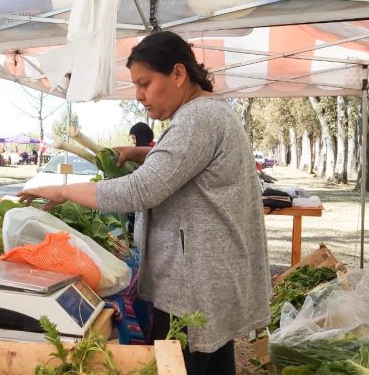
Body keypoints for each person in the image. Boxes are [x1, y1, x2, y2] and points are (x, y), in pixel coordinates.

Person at [18, 31, 270, 375]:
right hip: (212, 280)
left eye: (145, 83)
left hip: (193, 288)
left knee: (183, 365)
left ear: (178, 74)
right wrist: (144, 152)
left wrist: (62, 191)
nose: (139, 96)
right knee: (215, 364)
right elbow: (187, 165)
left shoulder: (198, 119)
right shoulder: (212, 113)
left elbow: (139, 191)